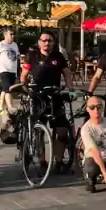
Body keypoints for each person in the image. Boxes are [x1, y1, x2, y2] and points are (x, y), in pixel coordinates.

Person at [22, 30, 73, 169]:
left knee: (62, 131)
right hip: (38, 97)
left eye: (49, 40)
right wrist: (25, 88)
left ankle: (58, 161)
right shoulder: (31, 56)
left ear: (54, 42)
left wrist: (71, 90)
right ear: (39, 42)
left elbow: (67, 74)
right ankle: (42, 161)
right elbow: (24, 75)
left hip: (55, 96)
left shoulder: (58, 56)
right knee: (39, 131)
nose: (46, 43)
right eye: (44, 40)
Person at [0, 28, 20, 116]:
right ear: (5, 35)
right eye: (11, 34)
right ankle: (11, 108)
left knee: (5, 89)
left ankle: (0, 108)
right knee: (8, 90)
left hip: (12, 70)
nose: (13, 36)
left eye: (13, 34)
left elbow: (17, 56)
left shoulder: (15, 45)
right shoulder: (0, 45)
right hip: (4, 70)